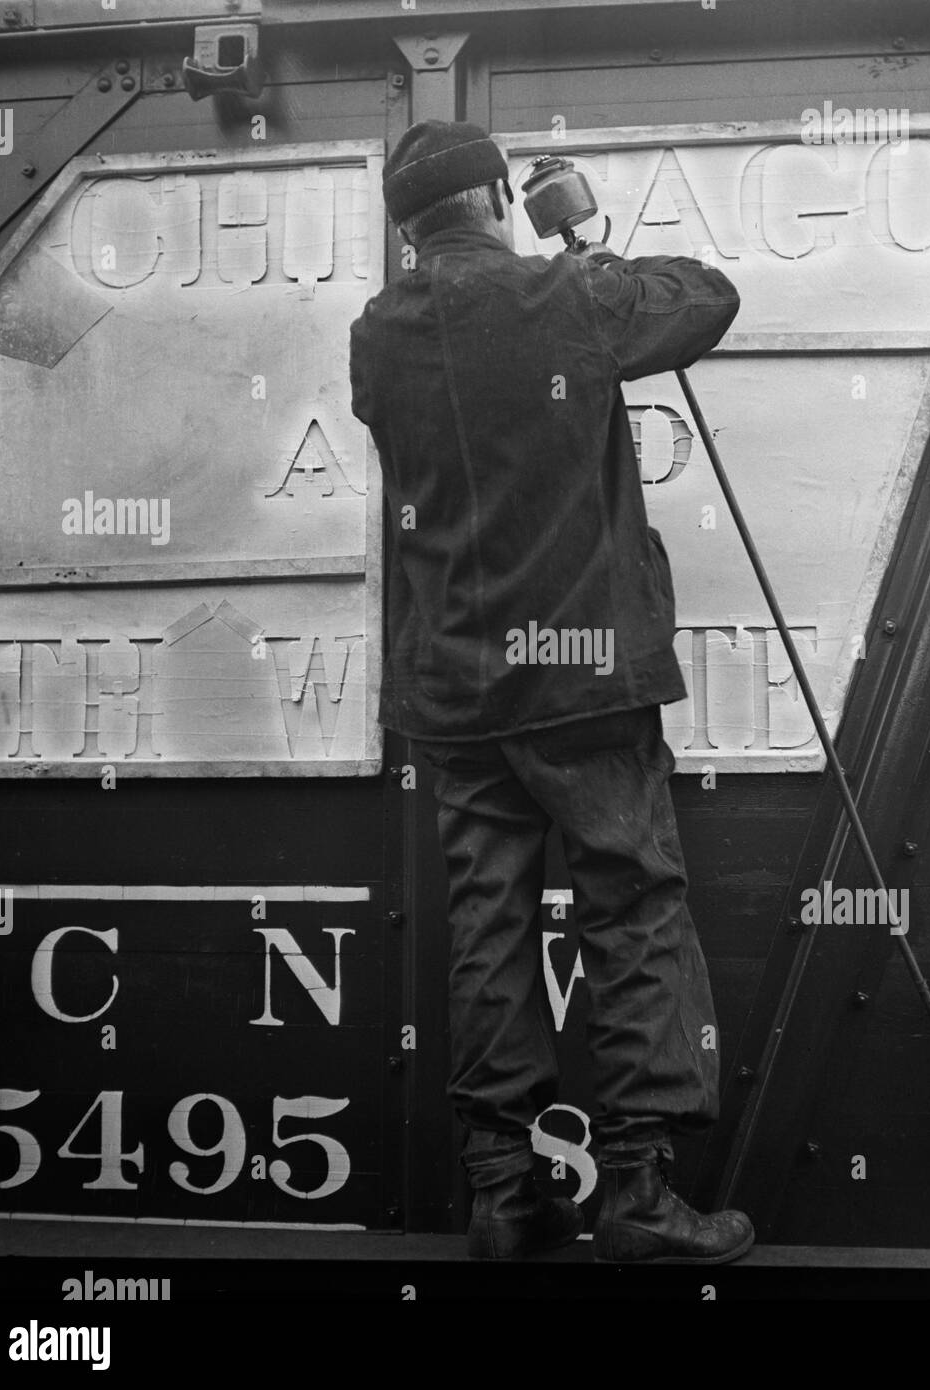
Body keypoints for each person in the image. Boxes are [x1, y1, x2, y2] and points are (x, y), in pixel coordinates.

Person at [349, 120, 753, 1265]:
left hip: (461, 696)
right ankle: (636, 1190)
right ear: (493, 196)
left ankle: (503, 1197)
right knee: (631, 910)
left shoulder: (376, 338)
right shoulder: (570, 298)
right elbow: (710, 298)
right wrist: (585, 252)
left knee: (489, 926)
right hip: (585, 683)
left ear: (407, 225)